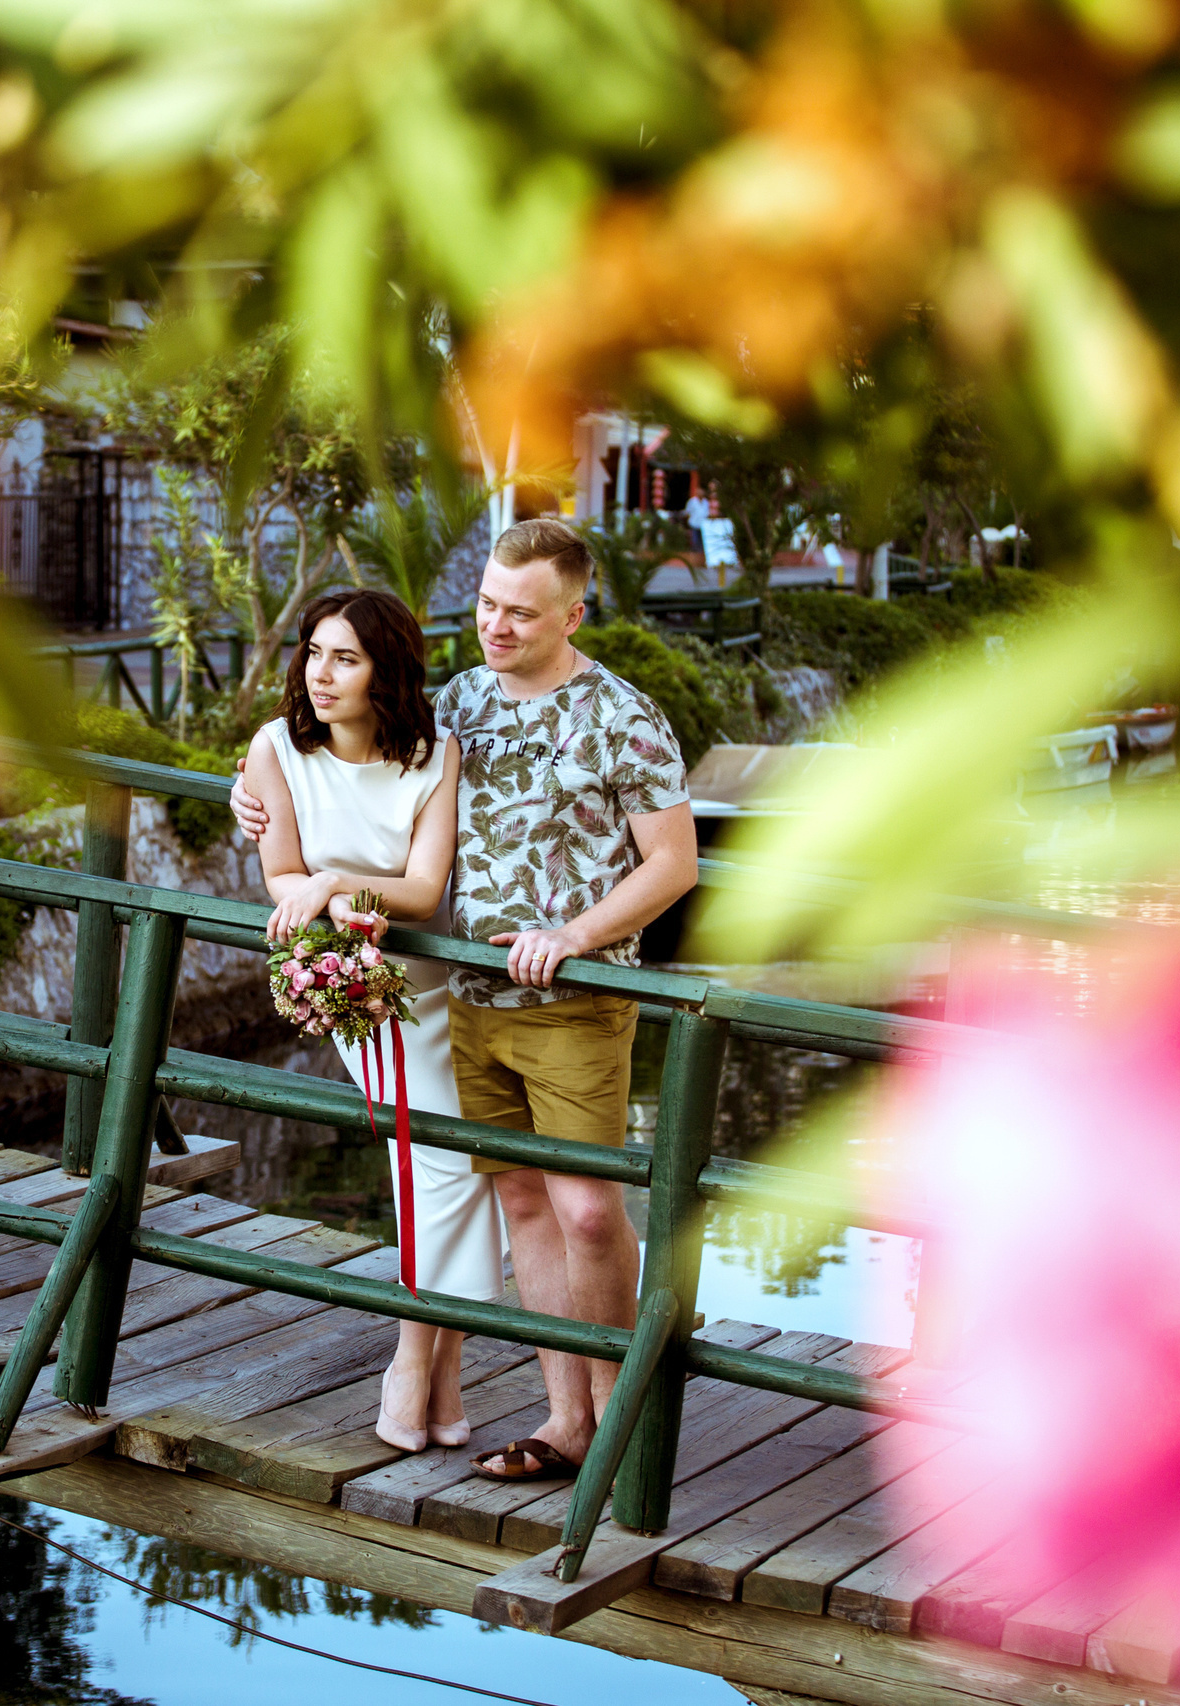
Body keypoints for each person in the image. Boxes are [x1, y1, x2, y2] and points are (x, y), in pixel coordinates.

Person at [234, 518, 698, 1482]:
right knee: (522, 1201)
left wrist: (576, 936)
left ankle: (619, 1418)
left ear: (574, 615)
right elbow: (353, 759)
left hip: (573, 997)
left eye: (520, 612)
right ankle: (566, 1423)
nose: (494, 625)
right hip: (471, 998)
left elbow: (675, 865)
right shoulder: (458, 704)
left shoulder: (625, 716)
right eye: (486, 603)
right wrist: (245, 792)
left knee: (588, 1211)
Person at [246, 586, 502, 1453]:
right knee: (442, 1166)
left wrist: (333, 882)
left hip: (443, 982)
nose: (321, 675)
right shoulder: (276, 749)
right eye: (314, 653)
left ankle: (437, 1371)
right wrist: (326, 899)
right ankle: (413, 1364)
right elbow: (281, 871)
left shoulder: (437, 756)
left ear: (385, 670)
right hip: (364, 984)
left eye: (346, 659)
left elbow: (423, 892)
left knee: (462, 1170)